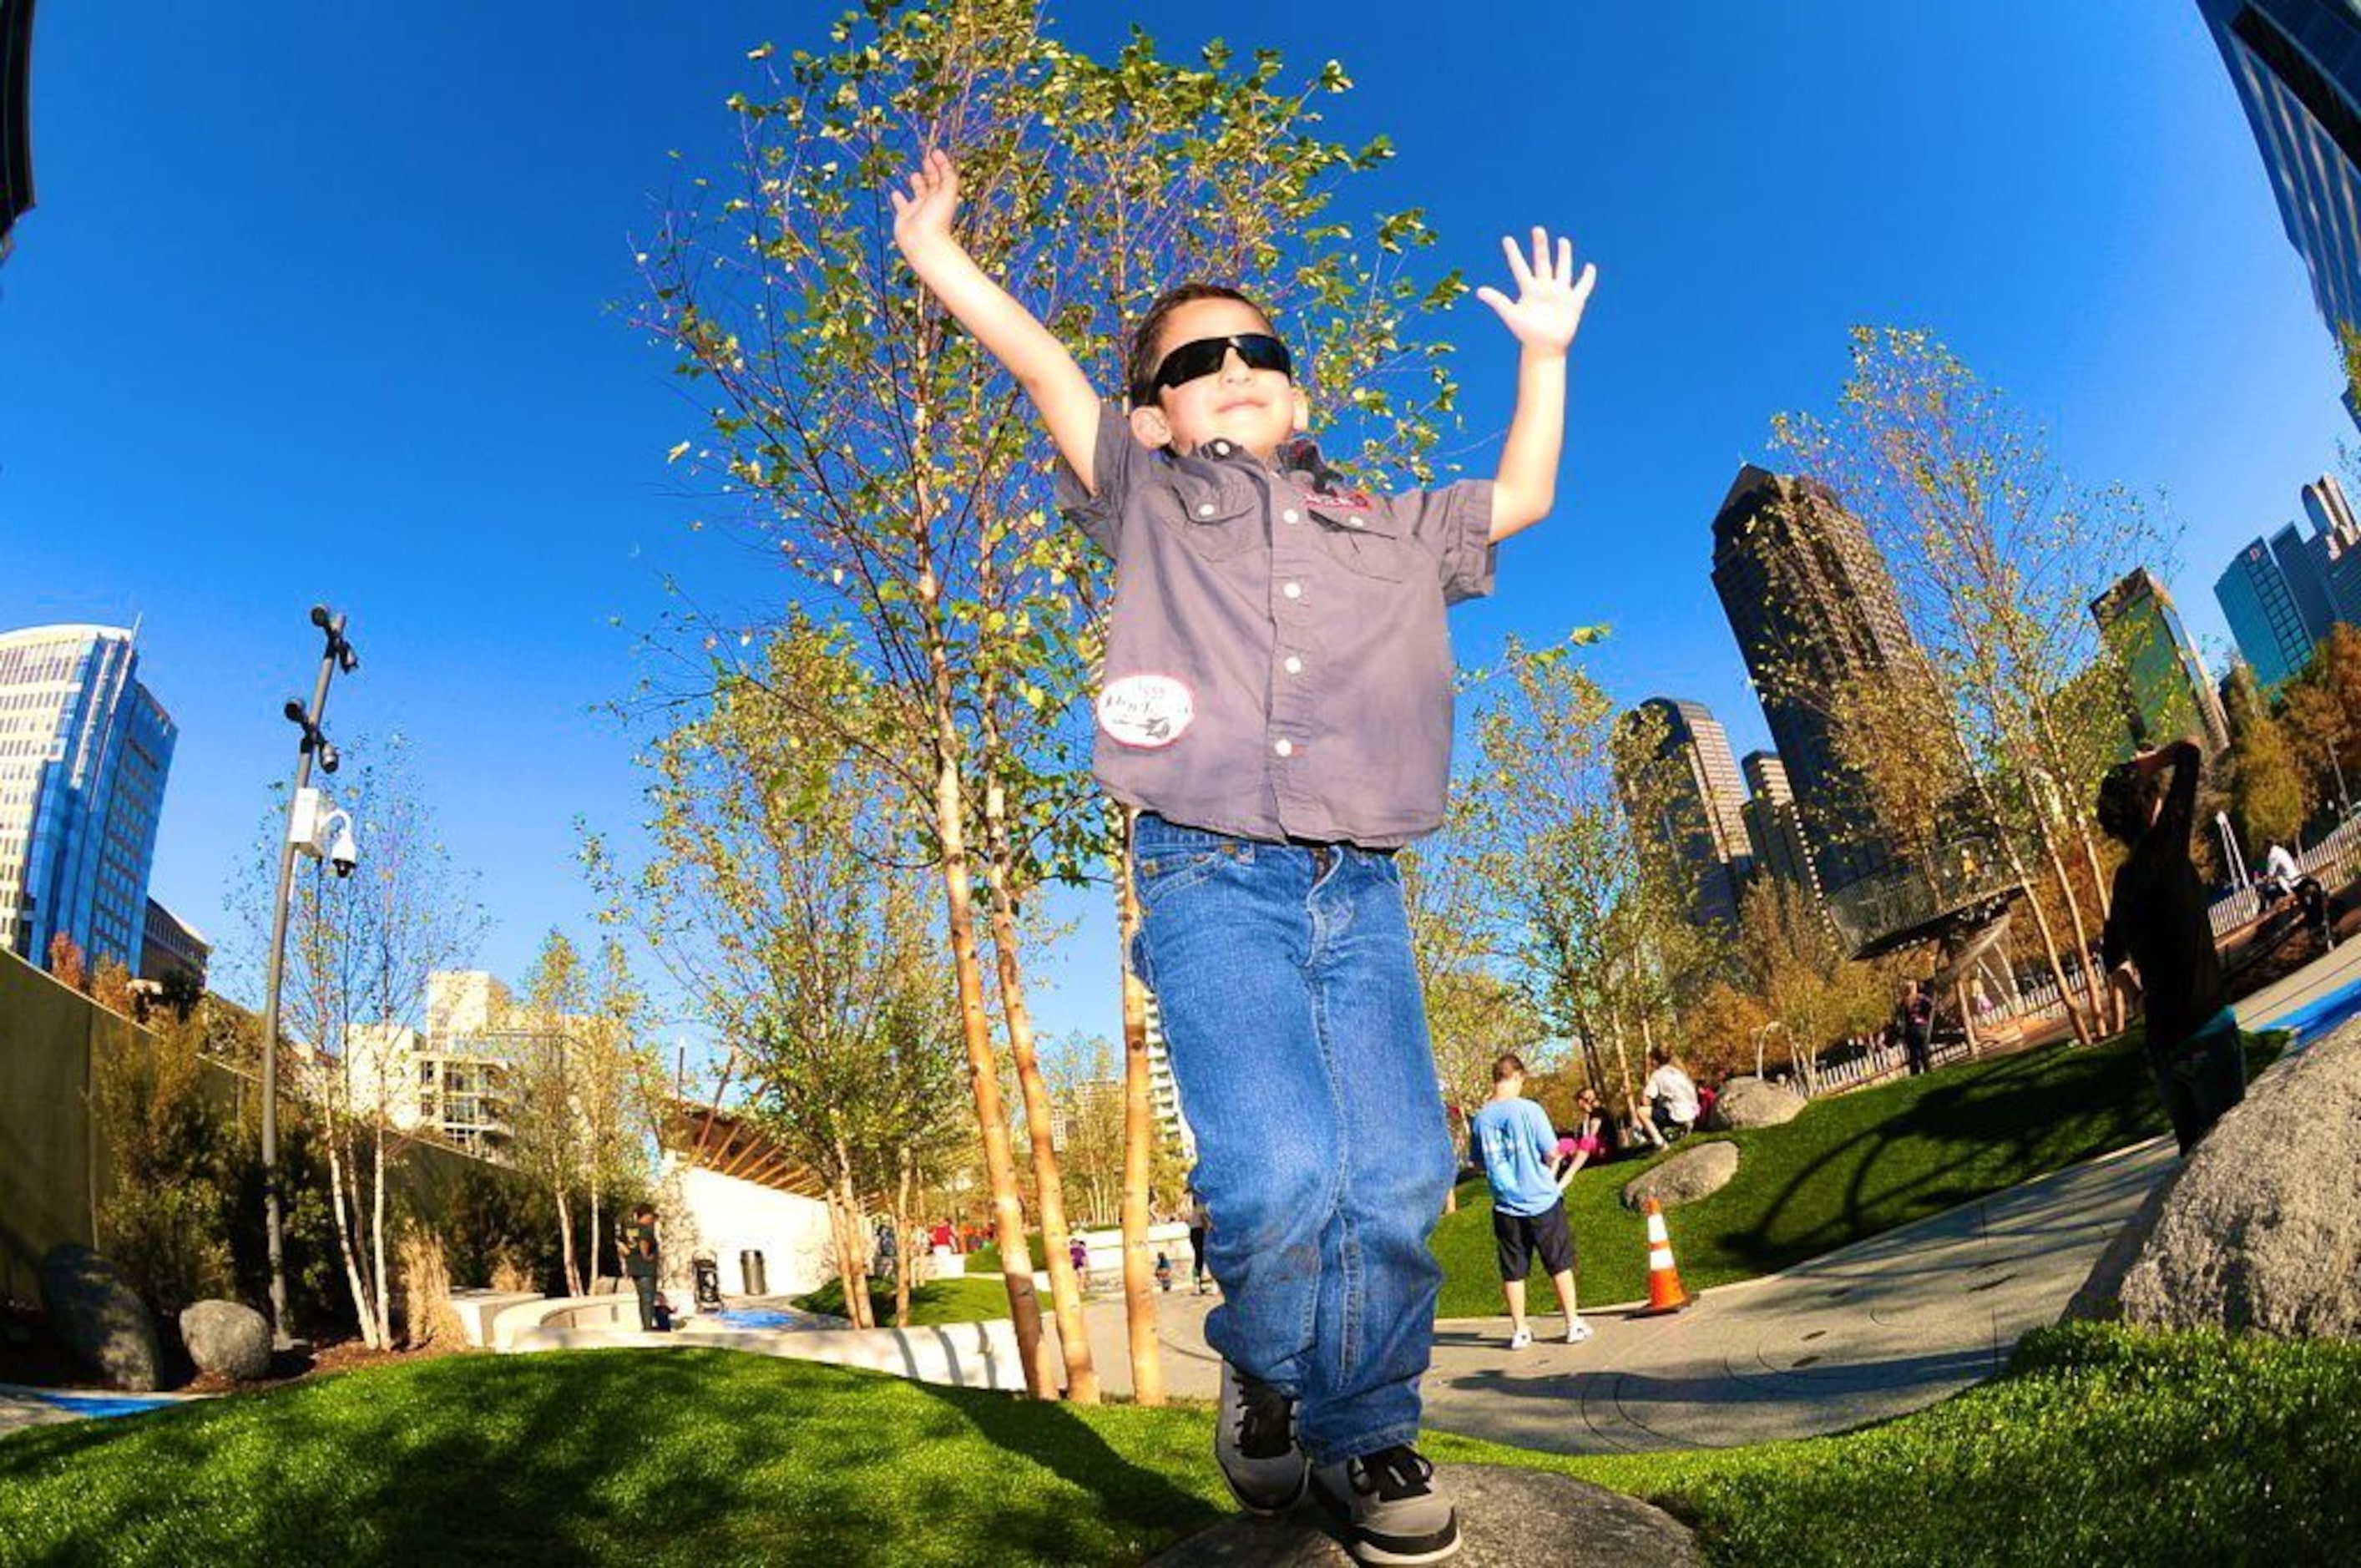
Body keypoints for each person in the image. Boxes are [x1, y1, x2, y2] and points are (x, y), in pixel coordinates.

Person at [890, 148, 1593, 1565]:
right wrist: (937, 258)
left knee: (1395, 1171)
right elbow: (1041, 368)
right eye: (1193, 359)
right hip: (1207, 871)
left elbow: (1517, 496)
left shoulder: (1384, 526)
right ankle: (1272, 1367)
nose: (1230, 366)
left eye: (1254, 348)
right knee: (1273, 1167)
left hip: (1363, 883)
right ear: (1150, 417)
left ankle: (1364, 1424)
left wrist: (1543, 354)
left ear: (1298, 390)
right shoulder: (1142, 497)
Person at [2097, 739, 2245, 1154]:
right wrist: (2148, 762)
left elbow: (2110, 950)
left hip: (2164, 1046)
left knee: (2192, 1161)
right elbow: (2190, 752)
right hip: (2206, 1029)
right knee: (2229, 1155)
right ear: (2149, 804)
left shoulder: (2124, 881)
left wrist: (2134, 994)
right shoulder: (2165, 847)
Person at [1470, 1054, 1592, 1352]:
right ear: (1516, 1077)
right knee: (1559, 1262)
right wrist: (1552, 1170)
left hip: (1504, 1204)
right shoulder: (1530, 1110)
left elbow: (1478, 1164)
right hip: (1541, 1200)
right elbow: (1552, 1151)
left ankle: (1520, 1330)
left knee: (1513, 1270)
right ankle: (1573, 1323)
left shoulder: (1480, 1119)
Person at [1636, 1046, 1700, 1143]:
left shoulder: (1657, 1075)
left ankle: (1660, 1143)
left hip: (1677, 1113)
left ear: (1655, 1061)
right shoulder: (1680, 1072)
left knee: (1641, 1112)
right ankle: (1682, 1128)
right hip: (1692, 1112)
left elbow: (1645, 1101)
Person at [623, 1203, 660, 1332]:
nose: (652, 1220)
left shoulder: (630, 1229)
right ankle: (648, 1328)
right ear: (646, 1215)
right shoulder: (645, 1229)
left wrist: (627, 1255)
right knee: (648, 1298)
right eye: (651, 1216)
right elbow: (644, 1242)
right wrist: (646, 1256)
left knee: (642, 1298)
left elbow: (622, 1245)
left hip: (634, 1267)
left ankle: (646, 1324)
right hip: (646, 1269)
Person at [1894, 980, 1934, 1076]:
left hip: (1910, 1029)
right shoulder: (1921, 998)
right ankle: (1927, 1071)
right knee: (1924, 1051)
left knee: (1913, 1054)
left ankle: (1915, 1074)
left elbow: (1901, 1016)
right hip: (1920, 1026)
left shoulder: (1904, 1001)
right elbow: (1930, 1006)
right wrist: (1925, 1017)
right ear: (1915, 987)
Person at [1186, 1189, 1213, 1296]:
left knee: (1198, 1258)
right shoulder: (1201, 1205)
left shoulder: (1195, 1209)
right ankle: (1209, 1285)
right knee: (1208, 1257)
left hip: (1194, 1231)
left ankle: (1197, 1285)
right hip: (1200, 1231)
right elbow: (1204, 1221)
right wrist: (1209, 1233)